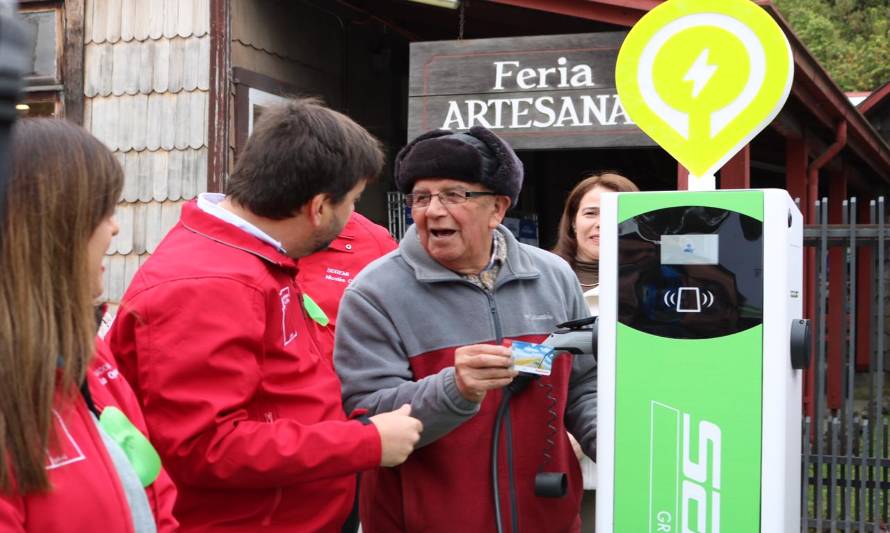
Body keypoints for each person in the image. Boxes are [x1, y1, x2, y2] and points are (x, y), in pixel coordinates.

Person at [106, 98, 423, 532]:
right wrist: (364, 442)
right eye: (352, 201)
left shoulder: (253, 259)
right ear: (318, 208)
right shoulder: (209, 284)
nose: (353, 216)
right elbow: (204, 446)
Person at [334, 126, 596, 532]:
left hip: (547, 518)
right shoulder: (374, 293)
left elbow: (583, 384)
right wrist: (455, 389)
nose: (433, 210)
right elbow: (367, 416)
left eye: (454, 195)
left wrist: (615, 447)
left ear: (497, 208)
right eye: (421, 197)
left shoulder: (554, 277)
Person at [0, 118, 178, 531]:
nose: (115, 227)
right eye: (102, 211)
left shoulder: (91, 353)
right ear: (50, 228)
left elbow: (153, 489)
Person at [552, 171, 639, 526]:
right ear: (572, 223)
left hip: (629, 448)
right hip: (557, 451)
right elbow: (530, 358)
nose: (601, 223)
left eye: (615, 212)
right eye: (590, 213)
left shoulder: (660, 287)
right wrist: (562, 432)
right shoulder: (542, 281)